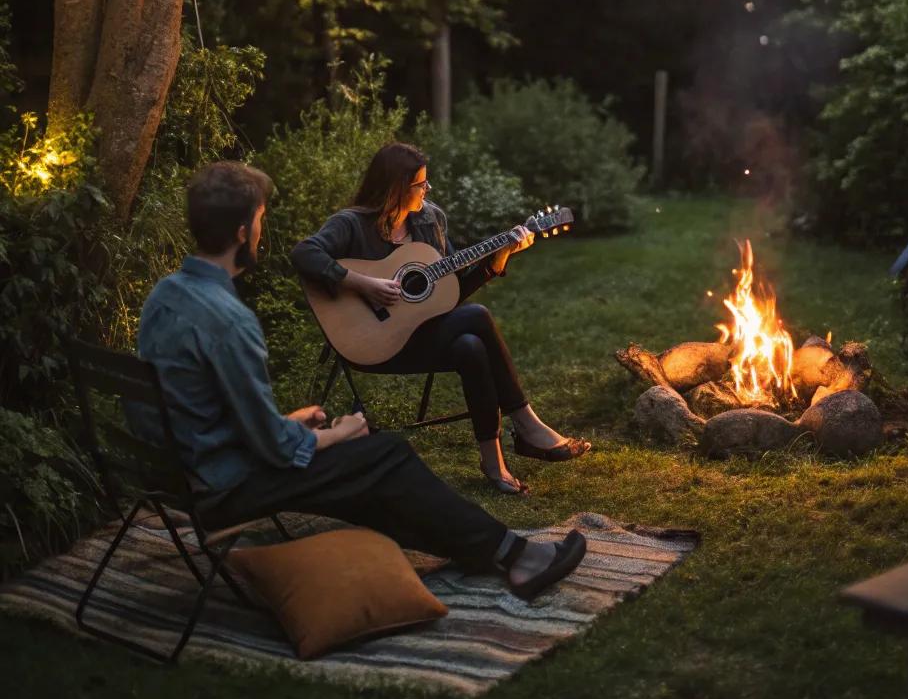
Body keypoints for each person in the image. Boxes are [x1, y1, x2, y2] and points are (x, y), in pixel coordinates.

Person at [132, 161, 585, 601]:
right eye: (260, 219)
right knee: (385, 454)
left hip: (183, 472)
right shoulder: (231, 322)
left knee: (373, 472)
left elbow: (207, 411)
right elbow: (276, 449)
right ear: (240, 232)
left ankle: (484, 549)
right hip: (225, 487)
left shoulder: (165, 295)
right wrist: (339, 432)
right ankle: (516, 556)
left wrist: (289, 422)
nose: (260, 231)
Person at [291, 141, 591, 495]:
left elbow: (449, 294)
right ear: (395, 187)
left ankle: (493, 461)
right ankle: (526, 424)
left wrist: (496, 262)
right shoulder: (351, 224)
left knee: (470, 346)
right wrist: (364, 284)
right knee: (477, 317)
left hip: (423, 335)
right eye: (420, 183)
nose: (427, 189)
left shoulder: (429, 220)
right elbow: (304, 253)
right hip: (372, 342)